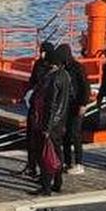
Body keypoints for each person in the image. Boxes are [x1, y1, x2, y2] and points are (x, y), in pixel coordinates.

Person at [32, 45, 72, 196]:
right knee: (57, 152)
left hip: (50, 123)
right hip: (60, 122)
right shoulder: (65, 76)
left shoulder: (53, 78)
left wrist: (46, 127)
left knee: (45, 154)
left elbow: (51, 104)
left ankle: (46, 186)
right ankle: (57, 181)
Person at [21, 41, 56, 177]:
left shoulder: (52, 69)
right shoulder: (38, 64)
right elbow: (32, 80)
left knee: (41, 141)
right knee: (30, 139)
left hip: (43, 107)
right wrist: (28, 92)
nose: (41, 54)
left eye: (43, 51)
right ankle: (31, 166)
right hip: (34, 104)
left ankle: (44, 170)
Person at [58, 45, 89, 174]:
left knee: (75, 134)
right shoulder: (62, 68)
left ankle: (79, 162)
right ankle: (67, 161)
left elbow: (85, 86)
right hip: (66, 104)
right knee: (65, 134)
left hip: (76, 104)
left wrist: (83, 103)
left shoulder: (77, 68)